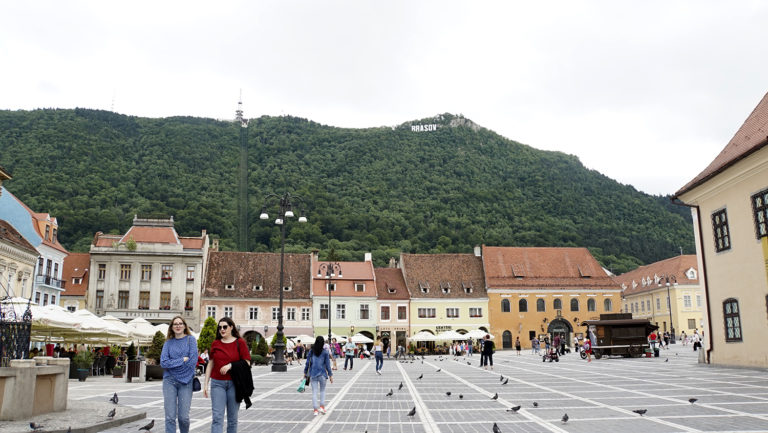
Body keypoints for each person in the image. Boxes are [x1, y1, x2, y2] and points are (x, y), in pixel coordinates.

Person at [204, 317, 252, 433]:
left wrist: (230, 365)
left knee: (232, 419)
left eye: (225, 327)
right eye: (220, 327)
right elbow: (210, 364)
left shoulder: (239, 342)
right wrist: (205, 384)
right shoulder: (215, 343)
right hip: (217, 383)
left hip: (234, 384)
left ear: (231, 327)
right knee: (217, 418)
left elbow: (247, 362)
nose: (222, 329)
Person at [161, 316, 198, 433]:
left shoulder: (191, 340)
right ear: (172, 327)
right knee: (170, 417)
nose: (178, 326)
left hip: (186, 381)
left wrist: (174, 366)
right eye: (175, 324)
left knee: (184, 418)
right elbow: (163, 362)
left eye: (180, 323)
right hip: (169, 381)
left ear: (184, 326)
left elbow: (192, 361)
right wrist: (182, 360)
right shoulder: (168, 343)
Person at [304, 336, 334, 416]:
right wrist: (330, 375)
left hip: (313, 374)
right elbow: (328, 365)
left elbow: (308, 363)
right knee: (322, 391)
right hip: (323, 374)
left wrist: (305, 372)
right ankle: (322, 407)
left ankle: (315, 410)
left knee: (314, 392)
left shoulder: (311, 351)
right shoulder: (325, 352)